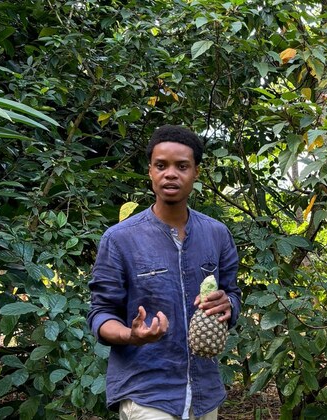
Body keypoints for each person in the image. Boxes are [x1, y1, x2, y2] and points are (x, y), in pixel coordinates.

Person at [87, 125, 241, 420]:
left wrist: (228, 304)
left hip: (205, 392)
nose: (170, 174)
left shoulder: (217, 234)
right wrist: (131, 335)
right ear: (150, 171)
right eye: (161, 165)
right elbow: (101, 313)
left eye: (181, 166)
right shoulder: (120, 239)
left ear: (196, 172)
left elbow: (232, 294)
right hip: (147, 392)